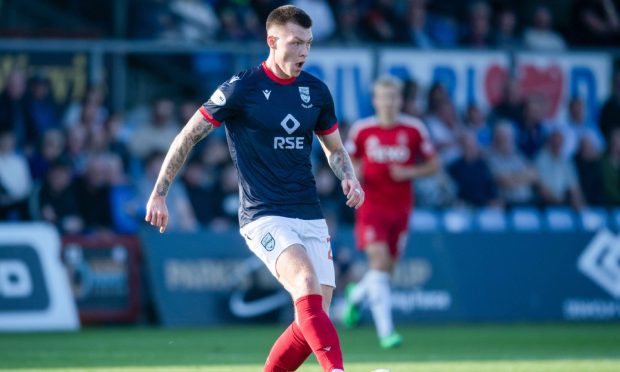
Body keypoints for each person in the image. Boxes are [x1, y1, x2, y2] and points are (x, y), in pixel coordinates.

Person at [145, 5, 363, 372]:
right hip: (264, 215)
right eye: (295, 43)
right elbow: (187, 136)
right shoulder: (241, 88)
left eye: (308, 44)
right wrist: (160, 192)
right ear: (272, 40)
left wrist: (349, 175)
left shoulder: (316, 91)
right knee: (306, 283)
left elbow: (334, 148)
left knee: (313, 319)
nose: (304, 52)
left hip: (309, 212)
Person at [343, 76, 439, 348]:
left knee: (387, 272)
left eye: (393, 97)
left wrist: (409, 171)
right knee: (380, 262)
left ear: (400, 100)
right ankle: (387, 333)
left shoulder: (413, 129)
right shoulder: (362, 130)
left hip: (401, 209)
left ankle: (356, 296)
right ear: (375, 100)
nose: (388, 102)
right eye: (383, 97)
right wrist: (355, 172)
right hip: (371, 206)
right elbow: (347, 161)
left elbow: (434, 165)